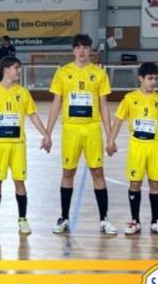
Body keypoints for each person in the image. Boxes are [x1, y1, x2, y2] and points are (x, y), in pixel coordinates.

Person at [45, 33, 115, 235]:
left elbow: (103, 105)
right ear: (73, 50)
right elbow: (56, 103)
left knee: (98, 173)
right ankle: (64, 218)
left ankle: (104, 219)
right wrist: (48, 133)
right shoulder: (63, 72)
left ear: (90, 50)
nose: (82, 51)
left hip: (92, 129)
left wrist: (110, 136)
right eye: (78, 47)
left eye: (85, 47)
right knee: (68, 173)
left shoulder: (99, 73)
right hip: (71, 129)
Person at [107, 62, 158, 236]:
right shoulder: (129, 98)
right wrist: (110, 141)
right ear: (140, 78)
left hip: (154, 147)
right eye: (150, 78)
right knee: (135, 183)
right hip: (137, 147)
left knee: (155, 183)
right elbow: (118, 120)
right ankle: (135, 221)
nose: (153, 82)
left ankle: (155, 222)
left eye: (156, 79)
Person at [0, 56, 51, 234]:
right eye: (16, 68)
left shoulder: (23, 93)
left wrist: (45, 134)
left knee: (20, 181)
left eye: (19, 68)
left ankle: (22, 218)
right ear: (6, 69)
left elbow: (33, 115)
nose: (19, 71)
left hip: (18, 145)